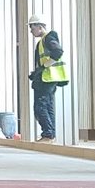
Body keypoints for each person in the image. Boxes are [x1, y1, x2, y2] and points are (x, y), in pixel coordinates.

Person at [27, 14, 69, 143]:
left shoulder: (49, 37)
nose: (31, 30)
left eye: (31, 27)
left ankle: (48, 134)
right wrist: (37, 71)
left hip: (47, 78)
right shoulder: (42, 42)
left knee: (40, 107)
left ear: (39, 26)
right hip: (47, 78)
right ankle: (50, 135)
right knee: (48, 106)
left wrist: (44, 66)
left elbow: (58, 52)